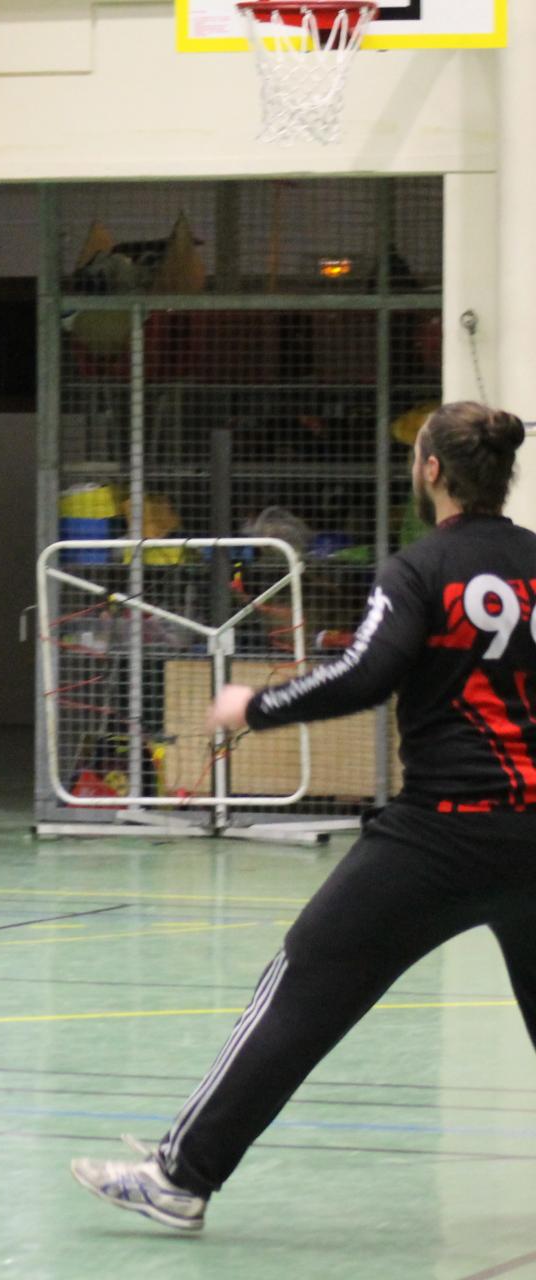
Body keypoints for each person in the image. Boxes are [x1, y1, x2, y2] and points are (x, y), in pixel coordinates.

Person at [71, 401, 536, 1232]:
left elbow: (365, 673)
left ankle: (180, 1176)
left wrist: (256, 706)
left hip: (440, 834)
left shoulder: (420, 569)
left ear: (431, 470)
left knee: (301, 987)